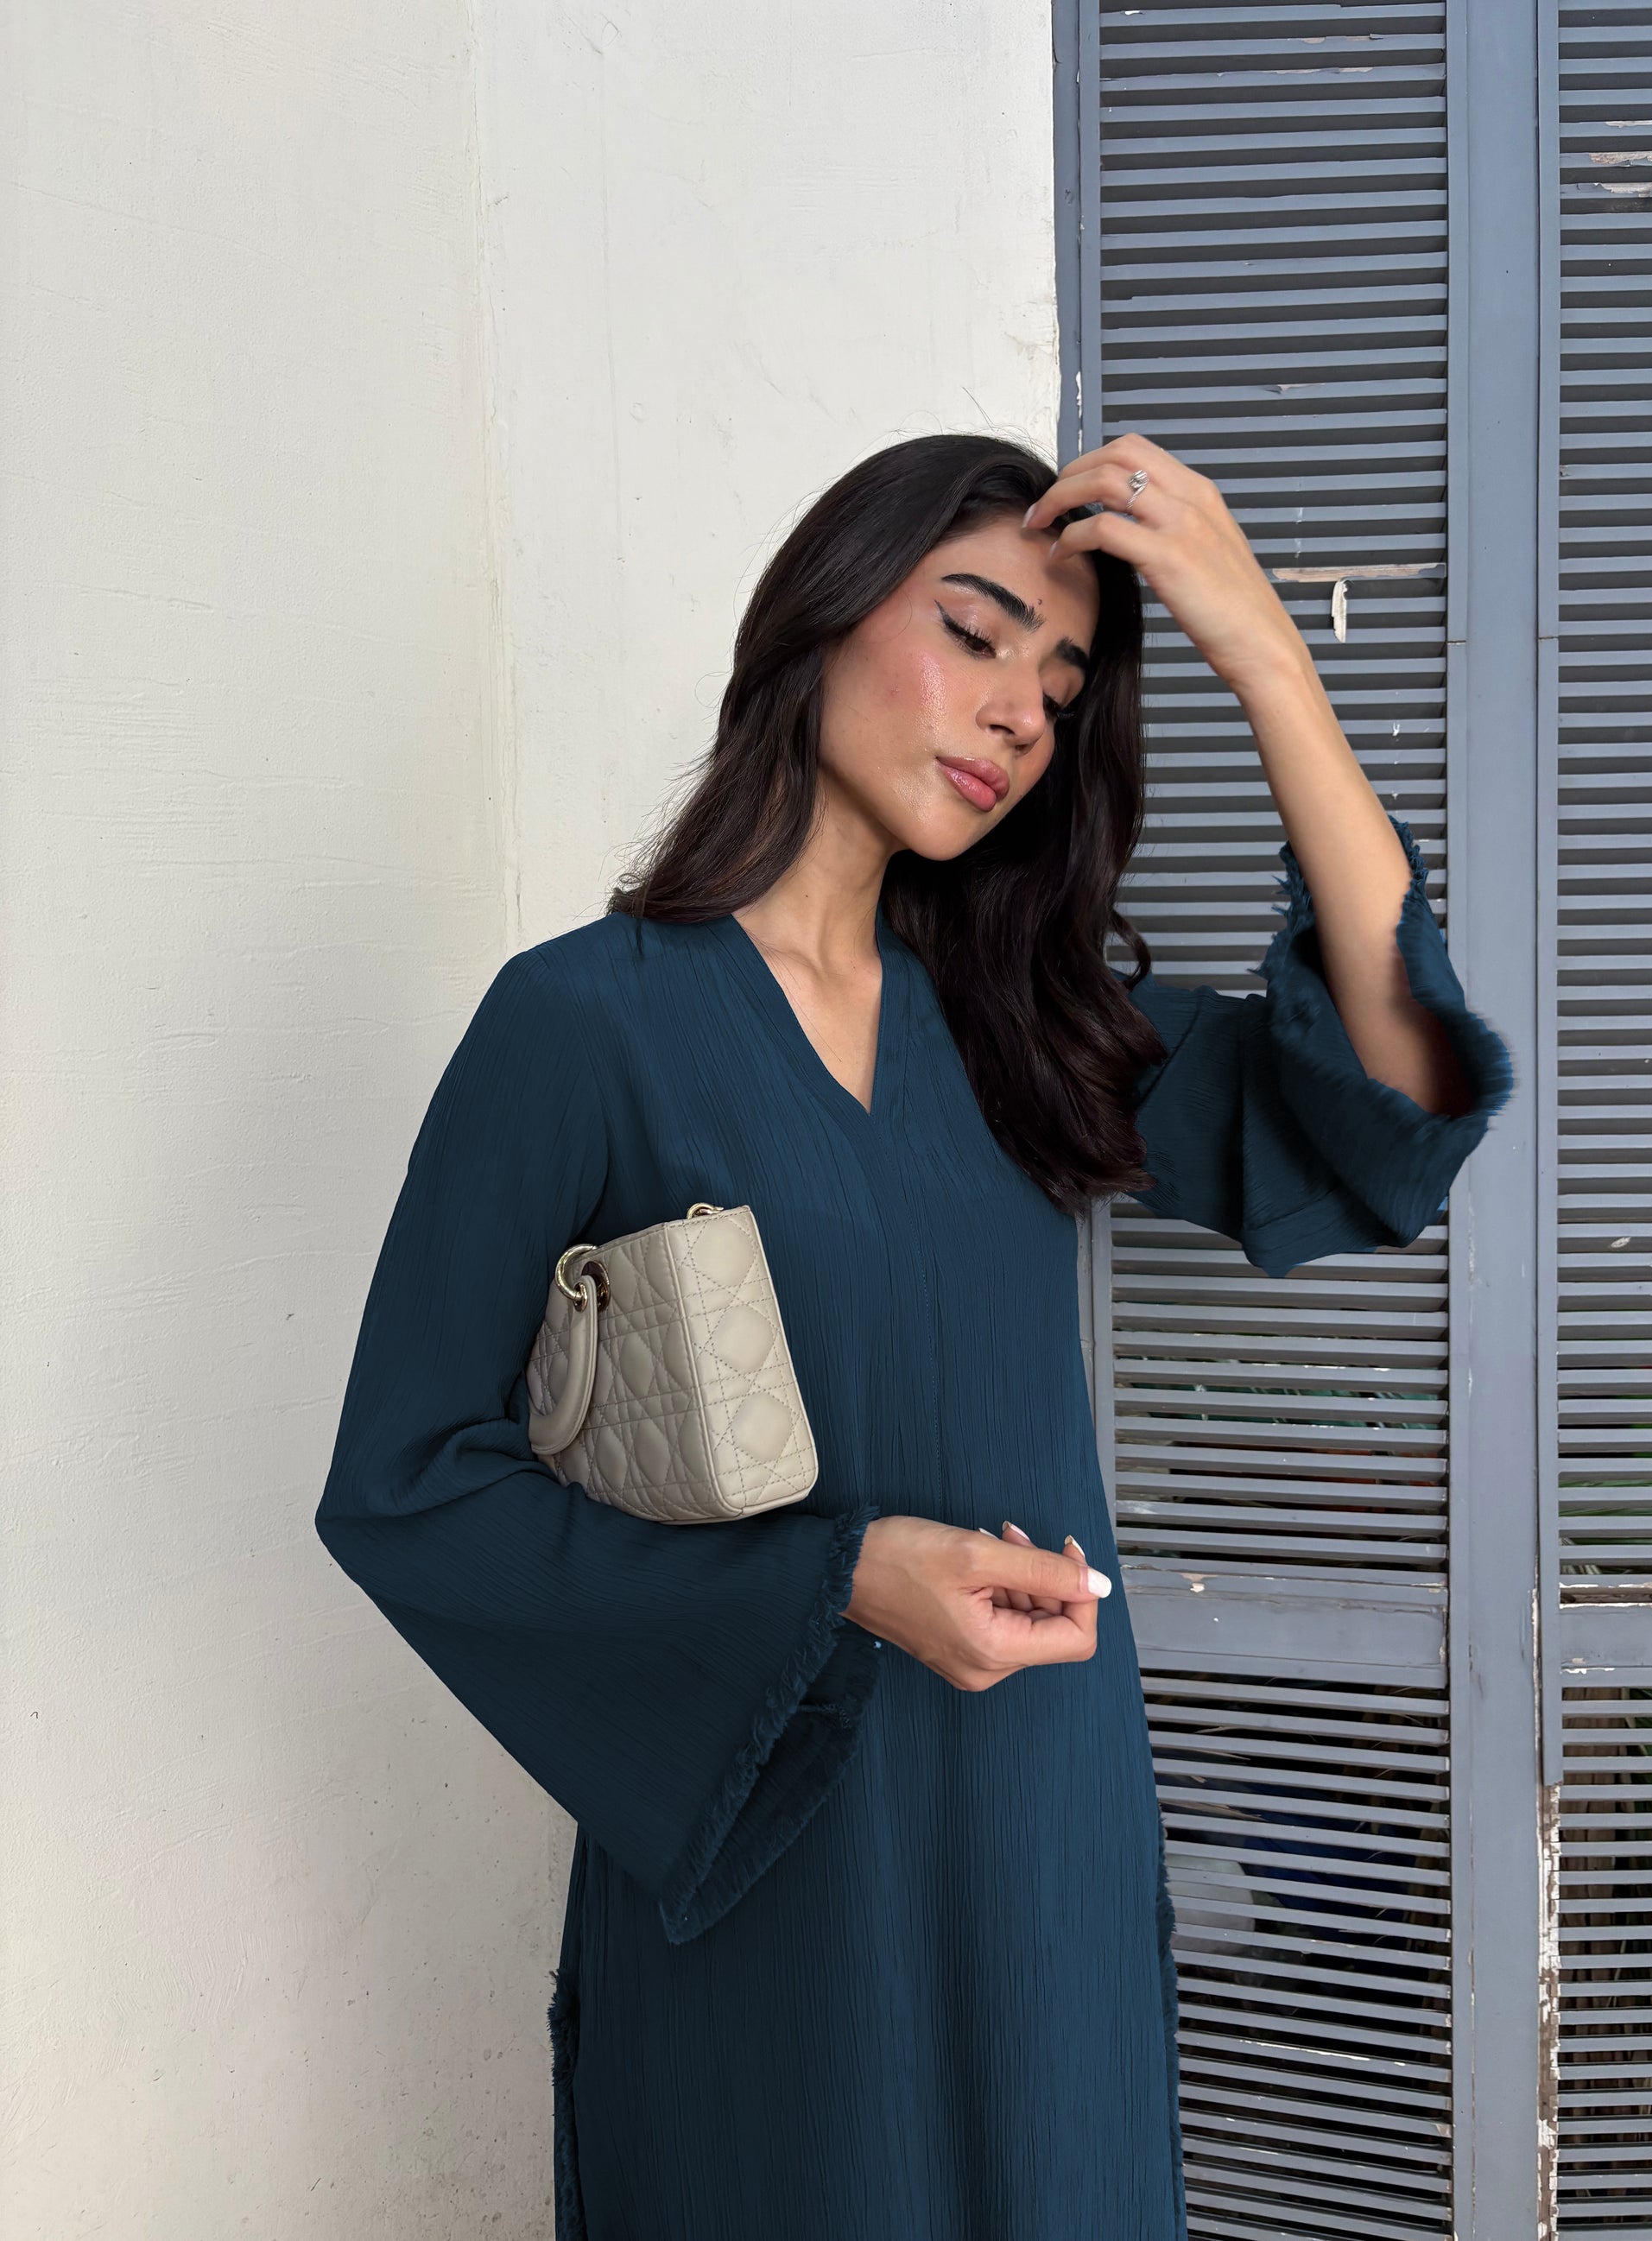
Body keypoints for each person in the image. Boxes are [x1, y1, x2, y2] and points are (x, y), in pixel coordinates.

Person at [314, 430, 1513, 2240]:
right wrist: (844, 1576)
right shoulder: (583, 1023)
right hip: (769, 1858)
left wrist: (1262, 650)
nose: (1020, 712)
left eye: (1062, 685)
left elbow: (1395, 1109)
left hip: (1040, 1831)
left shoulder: (1032, 1026)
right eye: (974, 631)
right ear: (821, 611)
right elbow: (410, 1484)